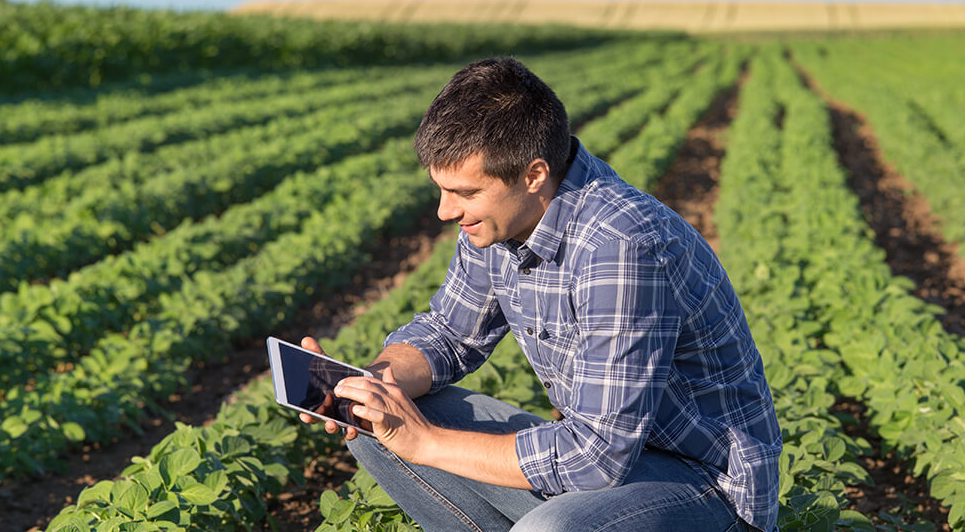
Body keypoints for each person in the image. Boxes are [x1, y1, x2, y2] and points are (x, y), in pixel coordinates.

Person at [299, 56, 782, 532]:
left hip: (703, 482)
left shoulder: (620, 246)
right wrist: (368, 384)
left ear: (533, 175)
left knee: (550, 530)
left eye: (465, 193)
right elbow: (449, 333)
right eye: (441, 190)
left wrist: (425, 442)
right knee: (371, 424)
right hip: (608, 460)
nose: (446, 211)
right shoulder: (502, 221)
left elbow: (598, 455)